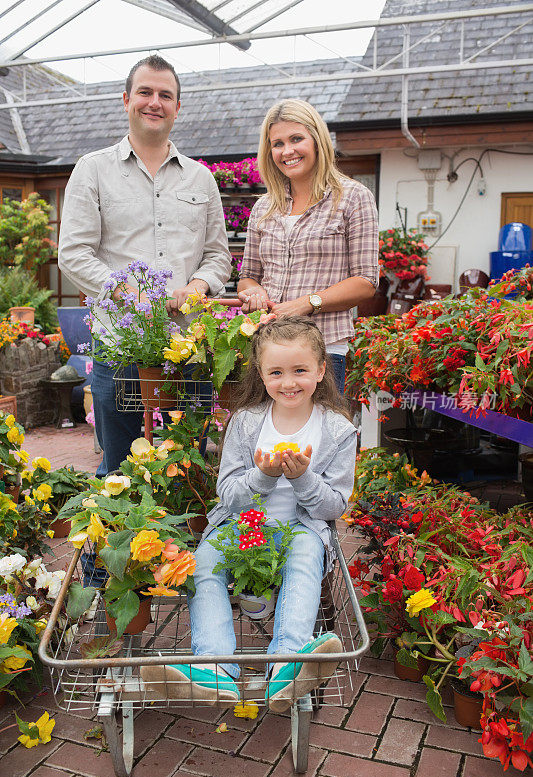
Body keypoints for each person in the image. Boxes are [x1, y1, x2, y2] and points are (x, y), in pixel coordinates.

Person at [141, 316, 356, 711]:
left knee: (306, 559)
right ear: (261, 373)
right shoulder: (245, 422)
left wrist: (305, 479)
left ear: (322, 370)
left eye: (300, 371)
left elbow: (334, 506)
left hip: (300, 528)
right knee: (205, 562)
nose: (288, 382)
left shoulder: (338, 430)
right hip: (241, 524)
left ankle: (287, 664)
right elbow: (228, 494)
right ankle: (213, 667)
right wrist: (263, 476)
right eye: (276, 372)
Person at [58, 55, 231, 477]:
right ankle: (114, 540)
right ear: (126, 100)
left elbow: (218, 254)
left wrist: (200, 286)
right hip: (119, 343)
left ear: (177, 107)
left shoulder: (200, 179)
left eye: (165, 95)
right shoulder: (93, 170)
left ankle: (180, 544)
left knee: (185, 465)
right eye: (145, 92)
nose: (155, 102)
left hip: (188, 344)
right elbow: (74, 253)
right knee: (117, 466)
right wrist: (129, 291)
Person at [237, 98, 379, 393]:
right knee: (268, 436)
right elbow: (248, 275)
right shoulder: (264, 206)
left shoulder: (352, 197)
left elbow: (366, 282)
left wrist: (308, 303)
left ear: (317, 140)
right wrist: (254, 292)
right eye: (277, 143)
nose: (287, 151)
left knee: (318, 438)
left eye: (296, 139)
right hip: (270, 351)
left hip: (323, 350)